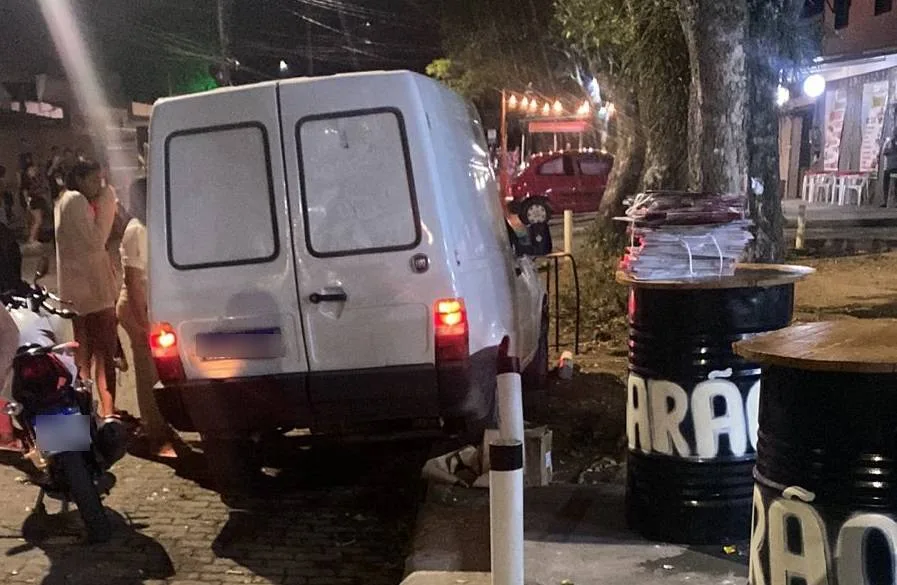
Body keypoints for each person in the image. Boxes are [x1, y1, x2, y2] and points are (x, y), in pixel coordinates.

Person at [55, 159, 119, 418]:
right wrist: (108, 201)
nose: (99, 186)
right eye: (94, 180)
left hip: (78, 295)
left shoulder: (63, 202)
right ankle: (108, 411)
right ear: (79, 179)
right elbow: (96, 240)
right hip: (93, 293)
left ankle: (88, 409)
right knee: (103, 353)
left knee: (84, 356)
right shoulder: (75, 201)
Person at [117, 177, 175, 457]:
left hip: (145, 304)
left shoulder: (147, 227)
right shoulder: (136, 229)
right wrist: (142, 321)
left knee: (154, 369)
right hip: (135, 306)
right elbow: (133, 280)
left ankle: (161, 425)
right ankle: (156, 432)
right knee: (147, 372)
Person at [882, 125, 897, 208]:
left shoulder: (892, 145)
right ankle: (885, 201)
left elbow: (885, 152)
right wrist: (886, 143)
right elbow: (884, 152)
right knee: (886, 184)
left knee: (894, 184)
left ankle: (893, 202)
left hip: (895, 170)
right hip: (889, 169)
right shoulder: (890, 142)